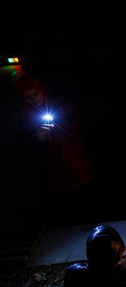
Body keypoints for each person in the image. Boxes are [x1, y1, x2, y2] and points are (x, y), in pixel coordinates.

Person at [14, 74, 95, 226]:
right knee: (59, 202)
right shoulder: (22, 113)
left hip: (71, 154)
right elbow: (21, 142)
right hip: (50, 164)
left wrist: (58, 125)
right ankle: (65, 233)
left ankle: (82, 228)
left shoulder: (58, 100)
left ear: (41, 90)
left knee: (79, 197)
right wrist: (37, 136)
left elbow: (76, 120)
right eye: (28, 97)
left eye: (36, 94)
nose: (33, 99)